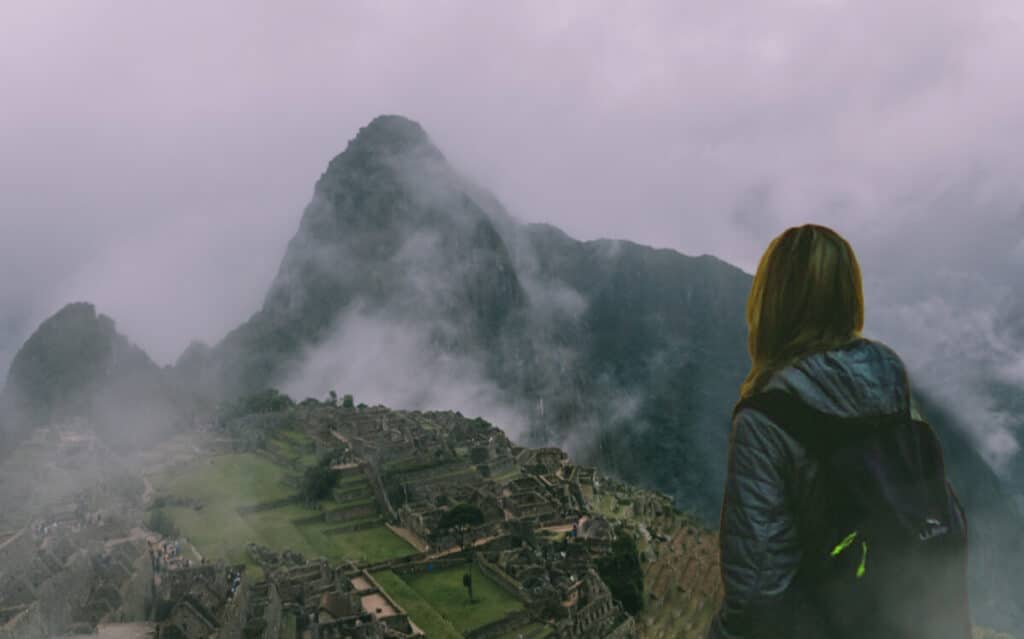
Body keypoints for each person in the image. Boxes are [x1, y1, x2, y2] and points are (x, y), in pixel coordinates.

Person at [706, 224, 969, 639]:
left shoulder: (765, 418)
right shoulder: (889, 379)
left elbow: (757, 595)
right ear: (849, 296)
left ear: (771, 303)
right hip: (920, 618)